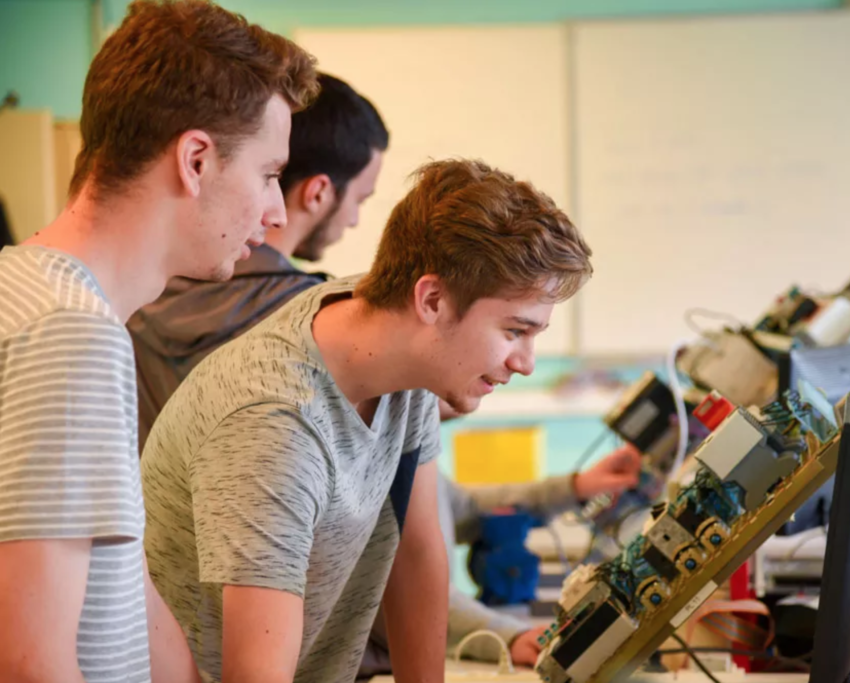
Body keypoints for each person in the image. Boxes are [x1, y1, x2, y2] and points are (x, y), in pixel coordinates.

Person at [140, 158, 593, 683]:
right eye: (516, 331)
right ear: (432, 300)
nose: (525, 362)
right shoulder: (275, 425)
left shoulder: (403, 347)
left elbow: (416, 553)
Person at [0, 1, 318, 682]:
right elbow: (29, 661)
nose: (278, 211)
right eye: (268, 173)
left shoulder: (35, 293)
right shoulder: (69, 333)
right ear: (196, 159)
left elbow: (120, 579)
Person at [128, 72, 388, 448]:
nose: (354, 219)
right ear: (317, 193)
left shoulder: (146, 287)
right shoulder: (316, 316)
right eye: (359, 200)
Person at [360, 396, 643, 673]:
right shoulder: (377, 459)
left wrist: (577, 487)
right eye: (510, 344)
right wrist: (510, 636)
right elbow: (409, 595)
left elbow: (470, 509)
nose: (522, 364)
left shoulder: (408, 446)